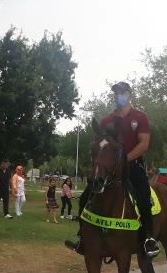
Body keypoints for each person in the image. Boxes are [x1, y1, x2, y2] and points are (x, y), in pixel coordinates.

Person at [65, 81, 160, 257]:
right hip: (109, 170)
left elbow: (144, 144)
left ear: (130, 95)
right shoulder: (107, 120)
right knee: (86, 196)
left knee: (144, 198)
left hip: (133, 167)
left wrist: (124, 160)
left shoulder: (140, 117)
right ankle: (83, 238)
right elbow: (103, 144)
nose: (119, 96)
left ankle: (148, 239)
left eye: (122, 93)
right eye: (116, 93)